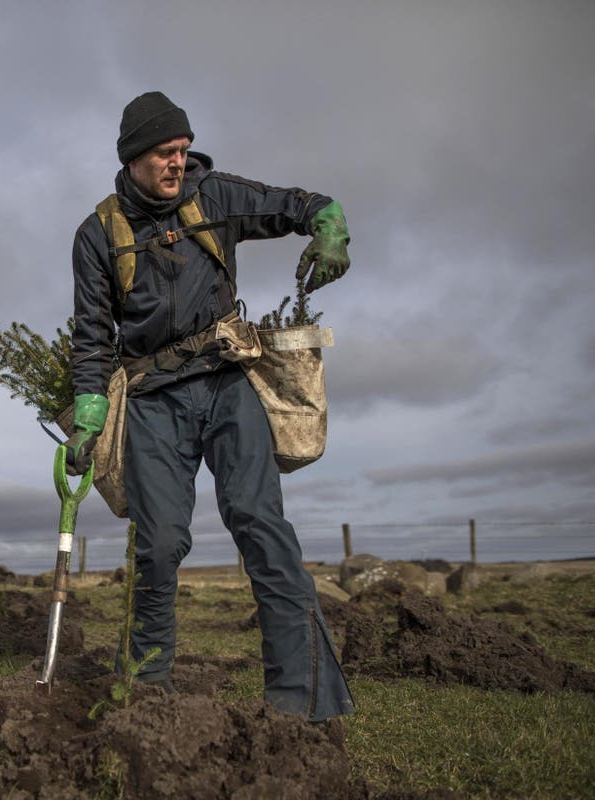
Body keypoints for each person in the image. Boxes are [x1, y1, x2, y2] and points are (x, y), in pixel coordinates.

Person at [64, 91, 355, 721]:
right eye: (166, 152)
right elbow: (93, 337)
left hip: (226, 383)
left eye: (184, 149)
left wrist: (330, 226)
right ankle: (144, 695)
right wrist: (89, 412)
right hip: (151, 400)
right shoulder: (98, 235)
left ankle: (303, 707)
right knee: (159, 544)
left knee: (261, 525)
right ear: (134, 156)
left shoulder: (215, 196)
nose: (178, 161)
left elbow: (303, 206)